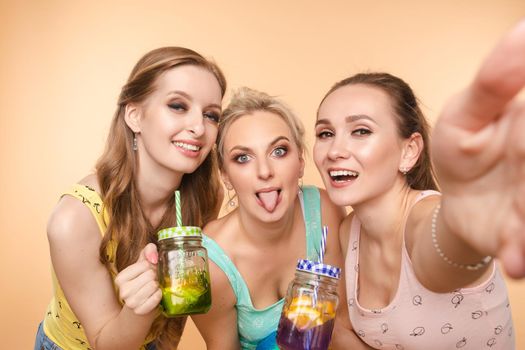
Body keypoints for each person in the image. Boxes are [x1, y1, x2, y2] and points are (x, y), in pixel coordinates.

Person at [312, 20, 525, 349]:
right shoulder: (347, 230)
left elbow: (440, 251)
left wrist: (465, 221)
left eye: (361, 131)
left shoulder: (426, 216)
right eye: (325, 133)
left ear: (409, 151)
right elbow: (341, 330)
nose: (335, 151)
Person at [34, 47, 227, 350]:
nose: (199, 128)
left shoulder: (206, 196)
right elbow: (104, 343)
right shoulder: (74, 219)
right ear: (135, 116)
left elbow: (179, 307)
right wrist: (140, 309)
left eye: (211, 114)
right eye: (178, 105)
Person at [191, 87, 348, 349]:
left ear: (300, 160)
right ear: (225, 175)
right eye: (242, 158)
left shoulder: (324, 211)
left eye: (279, 151)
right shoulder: (211, 263)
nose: (264, 171)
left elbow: (340, 325)